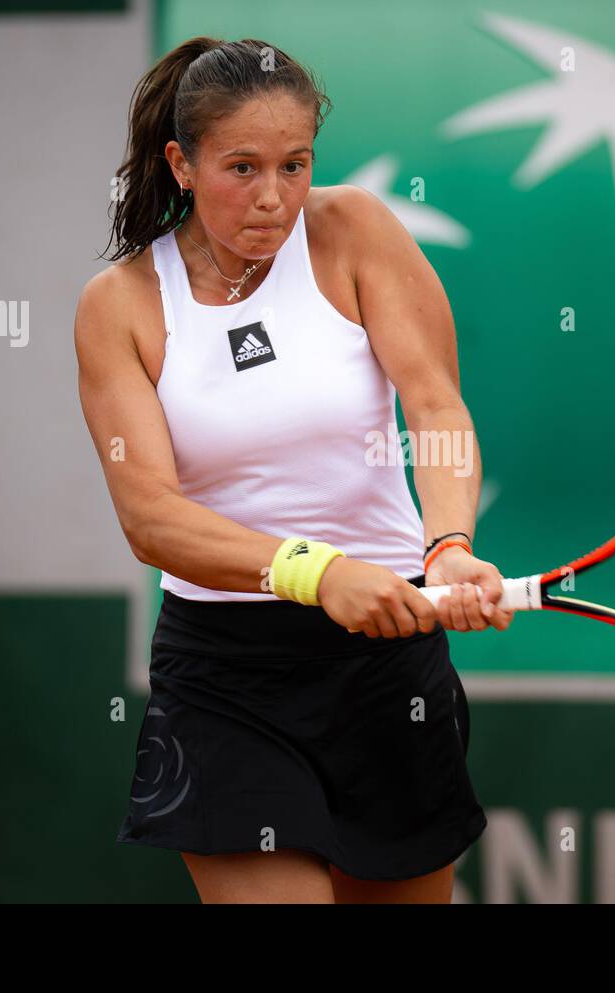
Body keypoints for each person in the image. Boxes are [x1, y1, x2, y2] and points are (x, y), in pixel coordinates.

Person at [74, 36, 514, 904]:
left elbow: (435, 406)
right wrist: (316, 571)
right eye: (242, 167)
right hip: (227, 677)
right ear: (182, 163)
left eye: (294, 164)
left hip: (391, 661)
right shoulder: (120, 306)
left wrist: (452, 543)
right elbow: (150, 519)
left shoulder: (355, 232)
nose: (272, 197)